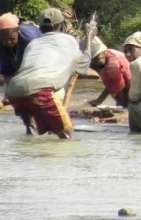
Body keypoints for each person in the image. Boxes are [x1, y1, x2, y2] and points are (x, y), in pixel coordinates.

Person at [6, 8, 96, 138]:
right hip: (40, 90)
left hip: (14, 92)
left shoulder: (32, 43)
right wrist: (89, 37)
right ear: (61, 27)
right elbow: (83, 65)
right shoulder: (68, 40)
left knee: (32, 134)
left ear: (40, 29)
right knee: (67, 136)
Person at [0, 12, 42, 102]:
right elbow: (6, 68)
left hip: (35, 54)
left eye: (11, 38)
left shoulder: (29, 39)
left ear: (18, 32)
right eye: (4, 39)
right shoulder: (2, 42)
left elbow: (34, 65)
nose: (8, 42)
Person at [83, 36, 131, 108]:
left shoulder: (112, 65)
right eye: (94, 59)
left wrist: (122, 107)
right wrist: (99, 101)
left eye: (98, 57)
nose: (98, 61)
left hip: (130, 92)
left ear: (102, 51)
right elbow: (111, 84)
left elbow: (121, 87)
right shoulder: (108, 53)